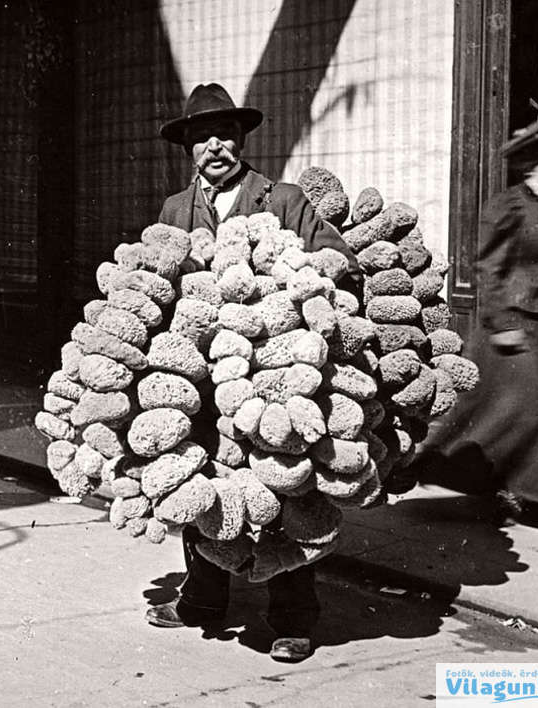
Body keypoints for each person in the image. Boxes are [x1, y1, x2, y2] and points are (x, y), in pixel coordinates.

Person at [145, 83, 360, 662]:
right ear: (188, 147)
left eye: (225, 134)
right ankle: (202, 600)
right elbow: (159, 291)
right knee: (203, 487)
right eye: (200, 137)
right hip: (205, 381)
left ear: (241, 140)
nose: (214, 146)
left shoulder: (283, 199)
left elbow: (340, 263)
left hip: (273, 375)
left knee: (280, 488)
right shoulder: (174, 210)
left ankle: (291, 618)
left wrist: (293, 282)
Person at [416, 113, 538, 522]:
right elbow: (489, 268)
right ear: (532, 165)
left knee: (534, 415)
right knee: (509, 416)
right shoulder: (510, 204)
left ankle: (532, 492)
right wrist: (504, 323)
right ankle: (499, 485)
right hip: (513, 328)